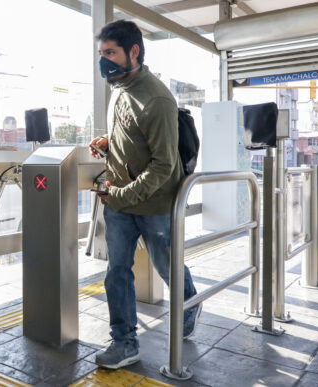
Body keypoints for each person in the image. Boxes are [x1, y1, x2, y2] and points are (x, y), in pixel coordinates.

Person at [89, 20, 201, 370]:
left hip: (152, 205)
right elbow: (133, 136)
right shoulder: (118, 88)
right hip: (120, 203)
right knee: (116, 272)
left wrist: (121, 196)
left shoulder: (157, 98)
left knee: (166, 266)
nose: (103, 61)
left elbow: (164, 165)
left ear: (133, 52)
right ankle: (124, 342)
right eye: (101, 53)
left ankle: (190, 304)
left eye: (110, 53)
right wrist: (109, 145)